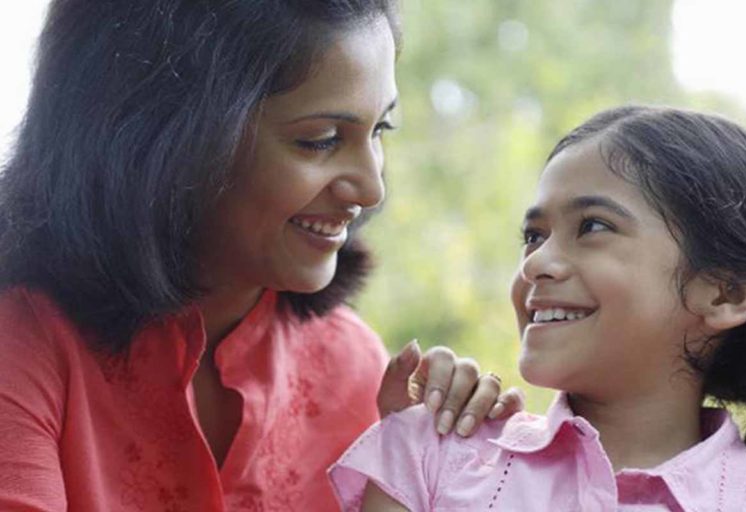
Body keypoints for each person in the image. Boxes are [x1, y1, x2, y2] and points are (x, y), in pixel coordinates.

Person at [0, 1, 525, 511]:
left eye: (379, 130)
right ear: (162, 136)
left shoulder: (358, 372)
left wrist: (419, 470)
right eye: (320, 140)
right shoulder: (25, 342)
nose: (371, 189)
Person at [330, 106, 746, 511]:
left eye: (593, 226)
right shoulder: (429, 453)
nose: (535, 263)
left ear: (727, 293)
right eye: (533, 236)